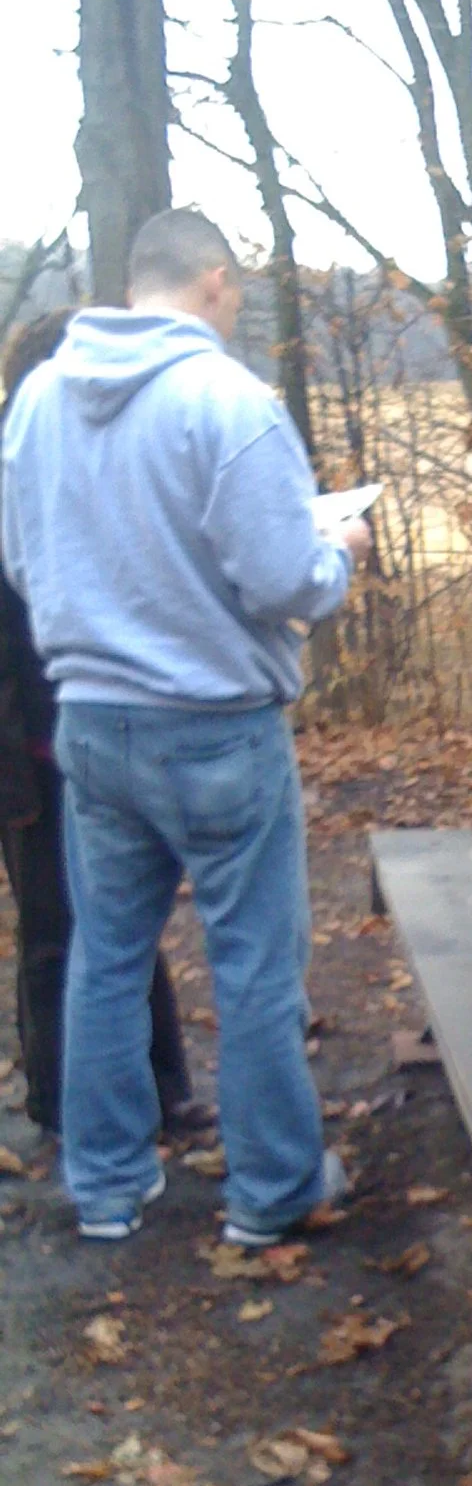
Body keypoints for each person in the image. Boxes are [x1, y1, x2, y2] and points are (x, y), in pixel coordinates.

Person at [1, 209, 370, 1245]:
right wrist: (339, 550)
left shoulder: (37, 403)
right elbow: (283, 578)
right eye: (236, 289)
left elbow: (24, 563)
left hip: (89, 723)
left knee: (106, 956)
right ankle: (272, 1191)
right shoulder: (228, 401)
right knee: (252, 964)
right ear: (213, 280)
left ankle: (108, 1187)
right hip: (216, 729)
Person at [0, 309, 208, 1146]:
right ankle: (60, 1105)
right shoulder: (14, 469)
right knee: (55, 932)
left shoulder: (85, 464)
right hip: (32, 754)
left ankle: (164, 1089)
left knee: (125, 917)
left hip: (108, 734)